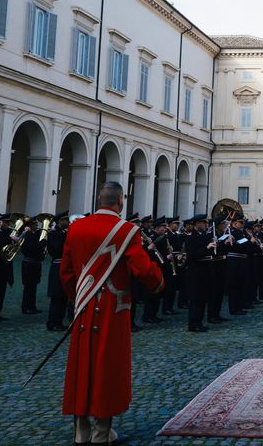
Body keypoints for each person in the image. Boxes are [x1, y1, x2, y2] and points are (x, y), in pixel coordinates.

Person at [60, 181, 164, 445]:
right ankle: (101, 433)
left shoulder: (76, 228)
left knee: (81, 363)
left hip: (83, 305)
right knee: (108, 365)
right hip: (113, 308)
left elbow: (67, 272)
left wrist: (78, 296)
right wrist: (158, 282)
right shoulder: (126, 230)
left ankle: (81, 431)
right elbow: (142, 269)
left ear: (99, 201)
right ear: (120, 200)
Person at [46, 212, 71, 331]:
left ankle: (59, 321)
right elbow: (57, 249)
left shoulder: (63, 233)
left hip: (64, 266)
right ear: (60, 221)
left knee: (63, 296)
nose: (68, 222)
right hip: (57, 266)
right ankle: (52, 322)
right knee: (56, 296)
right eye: (66, 220)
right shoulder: (53, 234)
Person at [20, 216, 45, 314]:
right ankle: (26, 307)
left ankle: (32, 306)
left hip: (35, 263)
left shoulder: (35, 234)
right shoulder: (27, 235)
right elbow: (33, 248)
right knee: (28, 286)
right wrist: (43, 242)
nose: (37, 226)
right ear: (30, 225)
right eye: (35, 224)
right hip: (29, 264)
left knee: (33, 286)